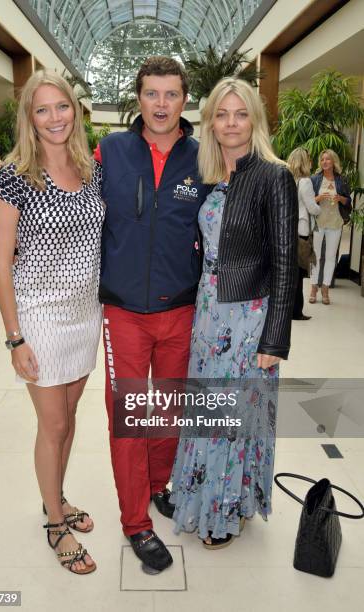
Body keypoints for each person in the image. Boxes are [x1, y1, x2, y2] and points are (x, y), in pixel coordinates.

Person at [170, 77, 298, 548]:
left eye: (239, 114)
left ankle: (227, 510)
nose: (230, 123)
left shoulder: (273, 175)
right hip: (208, 312)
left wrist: (275, 339)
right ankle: (202, 495)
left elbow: (287, 262)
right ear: (210, 122)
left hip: (249, 316)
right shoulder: (208, 173)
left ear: (254, 120)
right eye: (221, 115)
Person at [94, 56, 209, 572]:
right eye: (151, 94)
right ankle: (135, 522)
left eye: (171, 94)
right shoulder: (110, 151)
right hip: (123, 313)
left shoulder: (202, 159)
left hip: (180, 309)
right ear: (136, 99)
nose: (161, 104)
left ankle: (161, 486)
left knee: (167, 413)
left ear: (185, 101)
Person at [0, 70, 104, 575]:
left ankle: (53, 497)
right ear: (29, 118)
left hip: (84, 314)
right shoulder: (14, 175)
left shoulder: (89, 167)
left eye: (62, 107)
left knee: (70, 418)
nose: (55, 117)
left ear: (74, 112)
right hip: (39, 316)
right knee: (53, 423)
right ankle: (55, 524)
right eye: (43, 109)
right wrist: (15, 338)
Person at [309, 149, 351, 305]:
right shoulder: (314, 179)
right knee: (316, 256)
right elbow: (308, 201)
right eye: (322, 160)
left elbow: (348, 202)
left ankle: (325, 288)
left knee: (331, 257)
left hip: (335, 223)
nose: (324, 162)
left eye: (327, 159)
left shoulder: (342, 180)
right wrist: (318, 197)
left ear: (333, 162)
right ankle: (313, 287)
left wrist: (340, 198)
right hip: (318, 223)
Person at [287, 147, 321, 320]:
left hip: (287, 230)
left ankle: (289, 310)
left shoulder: (287, 179)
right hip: (301, 231)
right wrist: (319, 204)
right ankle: (296, 312)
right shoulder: (305, 182)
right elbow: (312, 208)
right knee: (299, 275)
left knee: (291, 274)